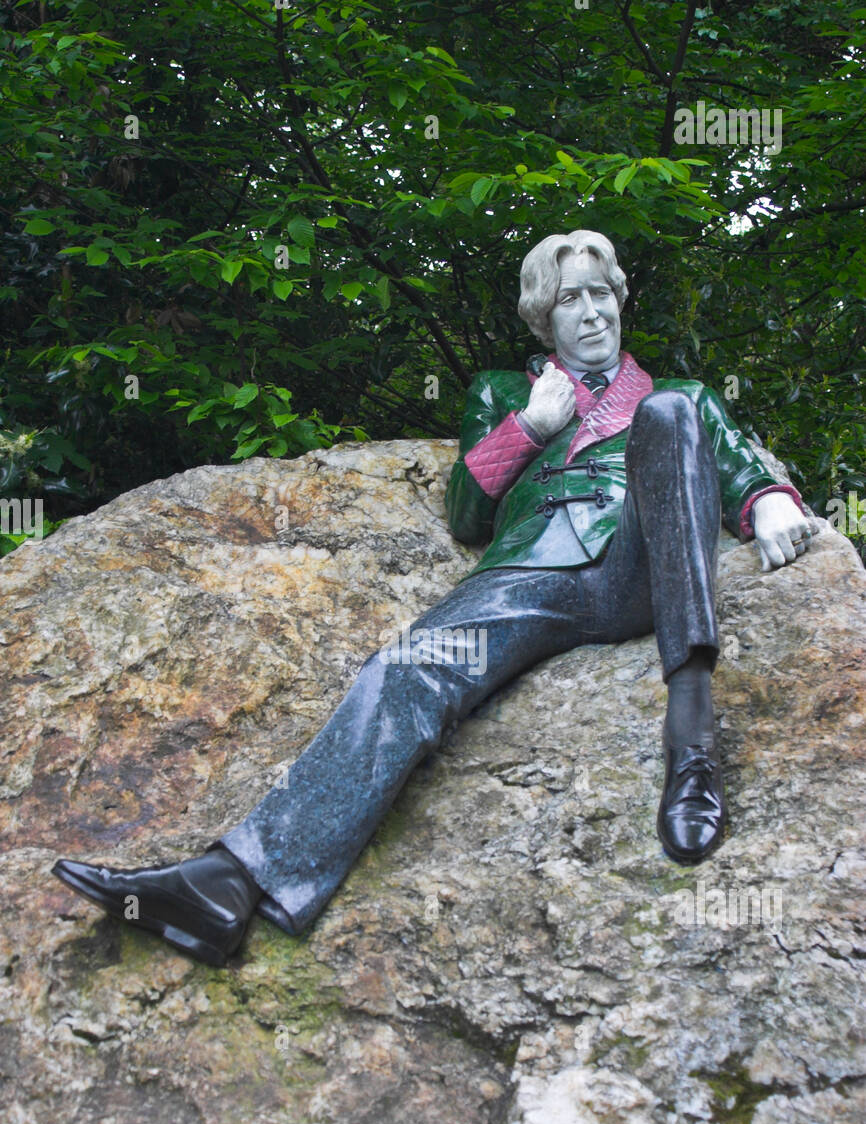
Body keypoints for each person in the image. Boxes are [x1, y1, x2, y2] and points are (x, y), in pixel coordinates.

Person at [53, 229, 818, 967]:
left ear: (619, 300)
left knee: (669, 415)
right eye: (570, 300)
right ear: (543, 318)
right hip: (529, 576)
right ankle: (230, 885)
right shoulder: (502, 391)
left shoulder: (678, 396)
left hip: (635, 565)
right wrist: (530, 425)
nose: (591, 313)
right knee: (404, 665)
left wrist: (765, 499)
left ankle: (691, 750)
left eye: (600, 294)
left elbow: (726, 463)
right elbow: (466, 516)